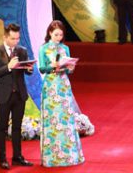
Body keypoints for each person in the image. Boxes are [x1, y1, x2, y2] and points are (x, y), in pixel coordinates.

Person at [39, 20, 85, 167]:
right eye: (56, 34)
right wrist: (52, 67)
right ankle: (52, 157)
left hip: (63, 84)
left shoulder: (65, 48)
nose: (59, 37)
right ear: (50, 33)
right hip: (51, 84)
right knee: (52, 118)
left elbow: (69, 68)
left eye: (61, 35)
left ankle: (70, 155)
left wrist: (70, 68)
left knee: (66, 117)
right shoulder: (44, 49)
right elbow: (41, 68)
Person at [0, 23, 34, 170]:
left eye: (17, 38)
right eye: (13, 38)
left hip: (19, 94)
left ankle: (17, 157)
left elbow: (26, 71)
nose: (16, 41)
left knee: (17, 127)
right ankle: (2, 159)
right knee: (2, 127)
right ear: (5, 37)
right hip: (4, 95)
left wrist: (29, 69)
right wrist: (8, 67)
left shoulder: (22, 51)